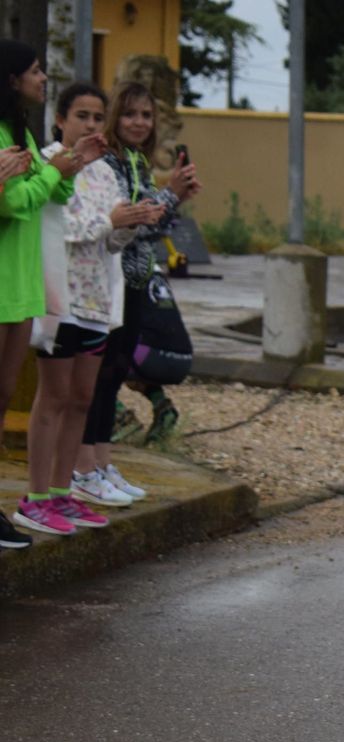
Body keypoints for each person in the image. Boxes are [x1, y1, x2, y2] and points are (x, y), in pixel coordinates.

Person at [12, 83, 161, 538]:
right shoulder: (50, 161)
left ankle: (63, 491)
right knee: (52, 399)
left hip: (97, 300)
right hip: (63, 298)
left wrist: (130, 224)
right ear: (60, 119)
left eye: (98, 118)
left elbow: (109, 241)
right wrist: (108, 223)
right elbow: (61, 228)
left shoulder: (105, 172)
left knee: (81, 398)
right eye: (82, 116)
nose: (91, 126)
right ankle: (35, 496)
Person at [1, 40, 107, 549]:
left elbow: (50, 193)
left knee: (3, 397)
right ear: (11, 78)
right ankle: (29, 500)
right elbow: (13, 203)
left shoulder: (20, 131)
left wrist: (72, 167)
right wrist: (51, 173)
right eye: (35, 71)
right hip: (4, 278)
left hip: (21, 282)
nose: (43, 78)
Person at [76, 80, 198, 504]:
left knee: (115, 373)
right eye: (130, 114)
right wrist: (171, 195)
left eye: (146, 115)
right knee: (100, 375)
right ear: (115, 119)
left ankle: (102, 463)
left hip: (135, 280)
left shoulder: (135, 161)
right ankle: (84, 468)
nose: (139, 122)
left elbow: (155, 224)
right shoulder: (108, 163)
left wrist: (172, 198)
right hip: (109, 280)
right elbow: (135, 220)